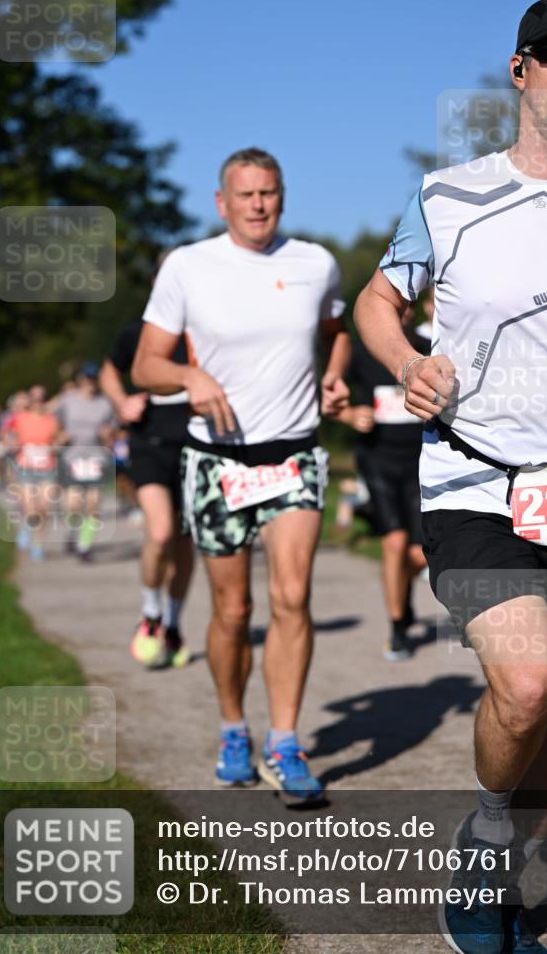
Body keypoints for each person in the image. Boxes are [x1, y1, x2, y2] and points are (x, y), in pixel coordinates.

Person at [354, 0, 547, 954]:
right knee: (525, 688)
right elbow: (377, 301)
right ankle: (481, 841)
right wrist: (403, 363)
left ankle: (501, 863)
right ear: (520, 71)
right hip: (476, 481)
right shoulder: (448, 196)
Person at [132, 147, 350, 804]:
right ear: (221, 201)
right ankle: (234, 728)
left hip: (293, 456)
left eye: (270, 192)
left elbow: (336, 329)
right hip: (216, 462)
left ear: (282, 196)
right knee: (233, 609)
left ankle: (284, 743)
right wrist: (187, 375)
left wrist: (334, 374)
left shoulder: (314, 263)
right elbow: (146, 365)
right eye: (246, 194)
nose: (259, 205)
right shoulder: (187, 266)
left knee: (291, 596)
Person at [100, 265, 195, 669]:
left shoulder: (207, 330)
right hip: (150, 443)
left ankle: (173, 622)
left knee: (185, 542)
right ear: (157, 283)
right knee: (159, 534)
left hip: (197, 446)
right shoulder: (140, 331)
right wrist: (122, 402)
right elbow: (108, 370)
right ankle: (151, 612)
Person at [337, 298, 430, 660]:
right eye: (392, 306)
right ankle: (396, 627)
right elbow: (331, 400)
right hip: (377, 459)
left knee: (418, 554)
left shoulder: (429, 350)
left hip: (422, 461)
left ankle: (402, 597)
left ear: (414, 310)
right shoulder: (363, 355)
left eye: (406, 305)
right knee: (393, 543)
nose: (400, 313)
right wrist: (349, 415)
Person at [54, 363, 116, 562]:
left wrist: (108, 436)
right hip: (72, 456)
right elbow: (52, 421)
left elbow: (112, 430)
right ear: (80, 379)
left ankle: (84, 546)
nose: (90, 383)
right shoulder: (67, 401)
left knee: (93, 504)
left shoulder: (105, 404)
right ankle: (71, 533)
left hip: (96, 457)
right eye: (87, 379)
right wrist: (58, 436)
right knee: (72, 504)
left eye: (93, 379)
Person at [10, 385, 60, 560]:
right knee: (31, 508)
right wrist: (12, 442)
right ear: (30, 400)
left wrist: (57, 444)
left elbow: (57, 439)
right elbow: (7, 435)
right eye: (35, 398)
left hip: (47, 467)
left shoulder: (51, 419)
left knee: (44, 509)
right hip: (26, 468)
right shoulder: (20, 418)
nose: (38, 402)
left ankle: (37, 545)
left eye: (42, 398)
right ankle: (26, 527)